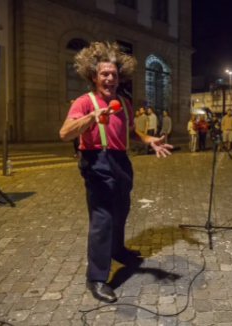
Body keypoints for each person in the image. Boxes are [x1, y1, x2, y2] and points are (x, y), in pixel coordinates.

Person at [58, 42, 172, 303]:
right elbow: (65, 133)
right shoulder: (84, 102)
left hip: (121, 160)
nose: (109, 78)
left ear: (120, 78)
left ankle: (117, 249)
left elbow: (131, 132)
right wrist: (92, 117)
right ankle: (96, 278)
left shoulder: (124, 102)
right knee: (102, 219)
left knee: (121, 209)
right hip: (96, 160)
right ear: (94, 76)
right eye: (104, 74)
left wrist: (149, 140)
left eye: (114, 74)